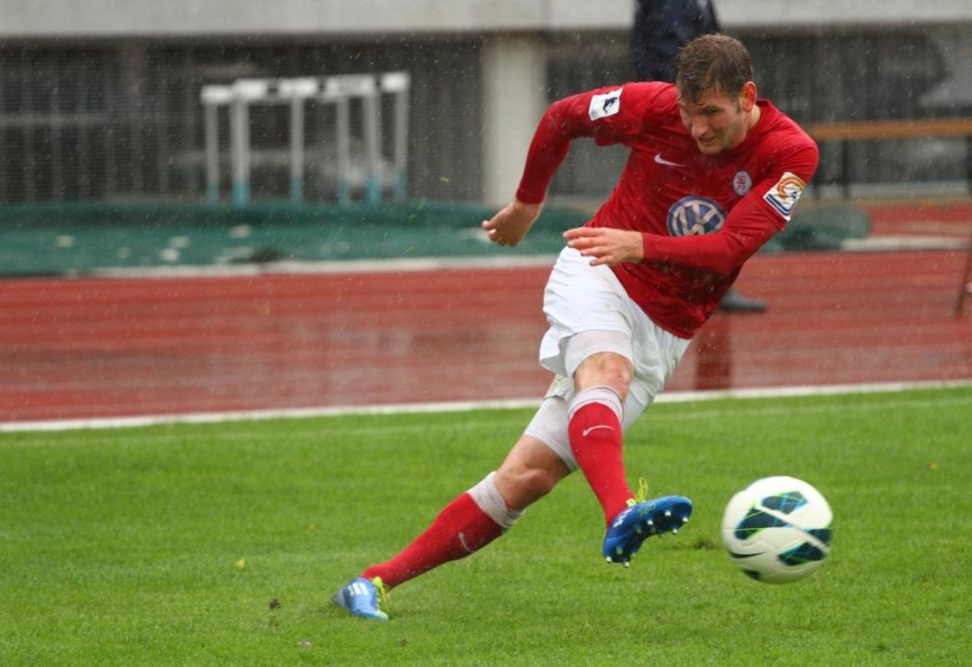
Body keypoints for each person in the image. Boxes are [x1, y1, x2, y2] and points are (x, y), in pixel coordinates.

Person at [332, 34, 818, 620]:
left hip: (666, 329)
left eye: (711, 113)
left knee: (526, 478)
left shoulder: (791, 153)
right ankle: (620, 511)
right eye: (688, 114)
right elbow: (562, 117)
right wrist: (527, 202)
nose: (697, 129)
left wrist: (641, 244)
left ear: (747, 96)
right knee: (606, 372)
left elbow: (730, 248)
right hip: (599, 271)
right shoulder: (651, 105)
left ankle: (371, 582)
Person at [632, 0, 768, 313]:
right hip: (686, 121)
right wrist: (691, 113)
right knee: (693, 198)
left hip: (690, 115)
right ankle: (700, 285)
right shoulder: (672, 4)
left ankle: (700, 283)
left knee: (686, 199)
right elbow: (674, 60)